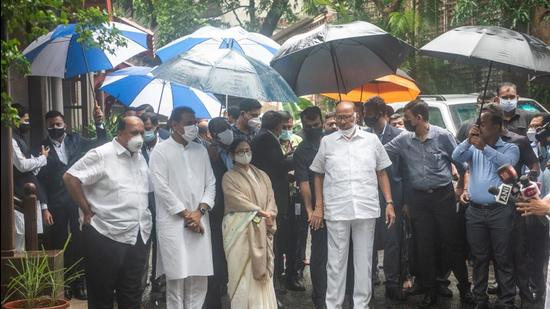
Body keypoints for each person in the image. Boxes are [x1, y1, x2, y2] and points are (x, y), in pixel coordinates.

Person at [384, 99, 473, 307]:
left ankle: (464, 288)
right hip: (419, 200)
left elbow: (461, 164)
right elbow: (380, 151)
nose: (405, 123)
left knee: (452, 243)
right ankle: (430, 290)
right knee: (425, 245)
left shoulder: (442, 136)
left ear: (419, 118)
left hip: (443, 197)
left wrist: (462, 187)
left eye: (407, 119)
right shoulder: (404, 140)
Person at [310, 101, 395, 308]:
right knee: (335, 263)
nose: (343, 121)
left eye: (347, 117)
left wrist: (389, 202)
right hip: (337, 209)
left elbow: (382, 172)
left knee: (364, 261)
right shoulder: (327, 142)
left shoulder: (371, 140)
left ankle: (361, 305)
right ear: (335, 117)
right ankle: (334, 305)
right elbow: (318, 174)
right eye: (339, 117)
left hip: (365, 208)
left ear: (356, 115)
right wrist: (319, 207)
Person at [63, 116, 152, 308]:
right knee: (102, 294)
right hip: (105, 233)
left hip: (137, 234)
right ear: (120, 133)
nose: (140, 137)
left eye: (142, 133)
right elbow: (71, 178)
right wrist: (86, 209)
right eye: (134, 132)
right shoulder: (102, 154)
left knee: (131, 292)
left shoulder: (140, 157)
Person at [452, 104, 520, 309]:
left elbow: (508, 167)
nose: (480, 127)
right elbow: (456, 157)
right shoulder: (473, 147)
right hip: (475, 211)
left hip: (500, 210)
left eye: (484, 124)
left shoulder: (510, 147)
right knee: (479, 258)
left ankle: (506, 300)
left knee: (503, 257)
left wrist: (485, 148)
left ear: (498, 126)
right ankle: (479, 299)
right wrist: (467, 140)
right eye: (478, 124)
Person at [149, 106, 216, 308]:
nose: (194, 127)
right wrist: (188, 215)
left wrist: (200, 212)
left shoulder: (201, 150)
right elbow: (161, 188)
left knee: (199, 277)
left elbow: (211, 184)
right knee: (176, 278)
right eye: (189, 123)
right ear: (174, 125)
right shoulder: (160, 151)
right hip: (173, 222)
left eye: (195, 122)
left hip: (200, 219)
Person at [38, 105, 107, 300]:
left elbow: (101, 144)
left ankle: (80, 282)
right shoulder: (42, 148)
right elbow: (39, 180)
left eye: (58, 124)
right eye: (51, 125)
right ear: (47, 127)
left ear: (65, 124)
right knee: (59, 243)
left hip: (78, 199)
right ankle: (64, 282)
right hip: (56, 203)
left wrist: (99, 122)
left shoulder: (76, 140)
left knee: (80, 241)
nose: (55, 128)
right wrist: (45, 206)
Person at [222, 138, 278, 308]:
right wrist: (260, 212)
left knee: (263, 276)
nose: (245, 154)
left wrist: (270, 215)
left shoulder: (262, 175)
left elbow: (271, 199)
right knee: (242, 273)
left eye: (247, 150)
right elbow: (237, 201)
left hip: (262, 227)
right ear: (232, 155)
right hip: (240, 232)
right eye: (240, 151)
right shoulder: (229, 177)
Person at [363, 96, 405, 301]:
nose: (365, 117)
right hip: (368, 196)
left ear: (380, 113)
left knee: (392, 241)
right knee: (368, 240)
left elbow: (405, 169)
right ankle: (369, 279)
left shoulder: (398, 135)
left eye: (368, 113)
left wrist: (403, 201)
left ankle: (392, 281)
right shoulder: (363, 137)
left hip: (392, 197)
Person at [251, 111, 294, 303]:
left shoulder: (266, 138)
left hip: (272, 195)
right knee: (272, 245)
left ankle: (274, 285)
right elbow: (277, 166)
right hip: (270, 198)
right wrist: (296, 156)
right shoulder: (265, 140)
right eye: (284, 126)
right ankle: (272, 288)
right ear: (278, 126)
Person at [294, 107, 327, 308]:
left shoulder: (333, 141)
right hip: (316, 208)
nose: (313, 128)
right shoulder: (301, 151)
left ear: (322, 122)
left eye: (316, 125)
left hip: (339, 205)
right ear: (303, 126)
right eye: (309, 126)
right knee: (319, 253)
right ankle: (320, 297)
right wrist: (309, 210)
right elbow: (303, 183)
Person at [204, 117, 234, 308]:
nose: (227, 132)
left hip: (235, 211)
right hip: (216, 211)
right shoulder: (208, 152)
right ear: (213, 134)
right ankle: (214, 298)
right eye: (222, 130)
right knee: (216, 253)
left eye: (227, 128)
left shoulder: (235, 149)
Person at [11, 103, 50, 252]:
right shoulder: (11, 139)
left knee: (30, 241)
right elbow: (21, 165)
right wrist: (42, 159)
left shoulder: (20, 139)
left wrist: (40, 159)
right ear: (15, 119)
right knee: (19, 243)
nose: (27, 124)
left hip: (28, 194)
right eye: (25, 120)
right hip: (19, 194)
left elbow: (31, 171)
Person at [516, 197, 550, 309]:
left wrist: (547, 208)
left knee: (537, 255)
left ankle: (535, 288)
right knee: (526, 254)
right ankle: (529, 289)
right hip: (527, 212)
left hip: (541, 213)